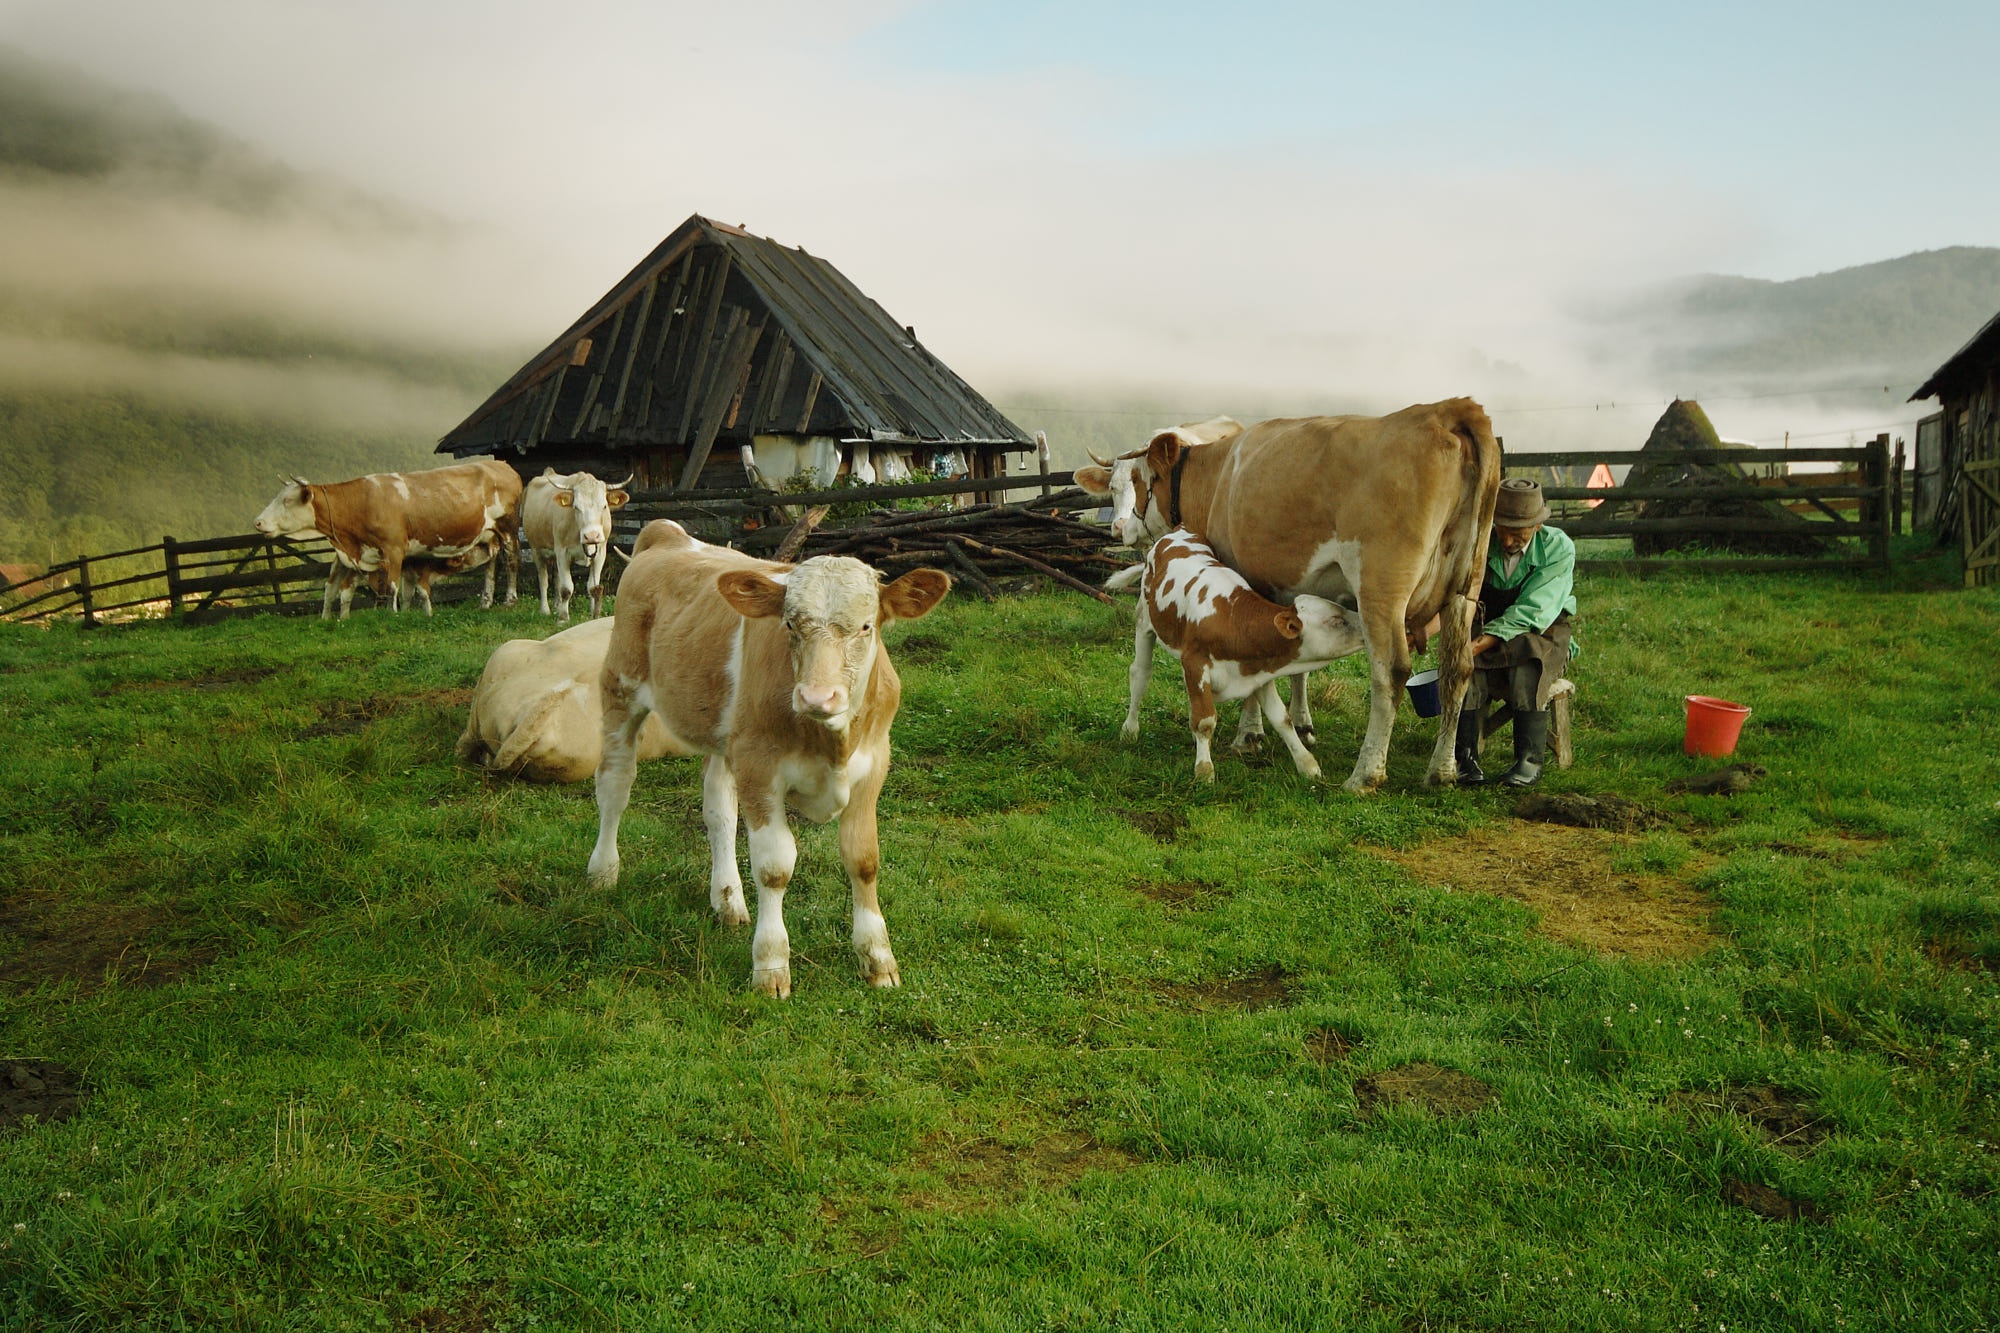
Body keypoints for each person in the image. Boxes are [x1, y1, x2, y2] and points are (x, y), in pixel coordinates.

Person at [1453, 477, 1577, 787]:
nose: (1508, 542)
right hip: (1487, 628)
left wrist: (1478, 645)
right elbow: (1459, 593)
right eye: (1502, 531)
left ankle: (1528, 760)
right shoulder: (1480, 543)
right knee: (1467, 671)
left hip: (1542, 631)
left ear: (1537, 526)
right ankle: (1464, 757)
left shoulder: (1558, 547)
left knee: (1528, 663)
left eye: (1517, 534)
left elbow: (1534, 609)